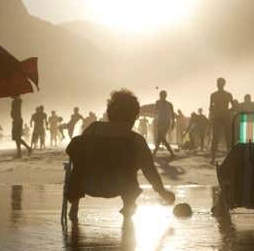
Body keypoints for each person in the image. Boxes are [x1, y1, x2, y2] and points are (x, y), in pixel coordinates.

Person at [66, 89, 175, 221]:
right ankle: (129, 205)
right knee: (131, 166)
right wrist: (162, 192)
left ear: (110, 113)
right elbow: (149, 170)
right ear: (133, 116)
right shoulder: (136, 140)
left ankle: (74, 206)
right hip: (119, 186)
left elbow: (75, 151)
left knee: (82, 162)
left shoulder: (93, 128)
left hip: (86, 184)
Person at [209, 77, 234, 163]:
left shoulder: (225, 94)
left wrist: (225, 111)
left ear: (222, 84)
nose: (218, 84)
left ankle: (215, 158)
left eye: (219, 83)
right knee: (218, 137)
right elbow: (210, 107)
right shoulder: (214, 95)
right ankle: (213, 158)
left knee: (226, 137)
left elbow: (210, 108)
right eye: (218, 83)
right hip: (219, 117)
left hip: (222, 117)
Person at [153, 90, 175, 157]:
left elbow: (172, 114)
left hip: (166, 122)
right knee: (160, 137)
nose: (163, 97)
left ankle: (154, 153)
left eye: (164, 95)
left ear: (165, 96)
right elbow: (155, 111)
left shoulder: (169, 104)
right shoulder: (158, 102)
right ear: (160, 96)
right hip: (160, 122)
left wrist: (173, 123)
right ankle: (171, 153)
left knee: (161, 137)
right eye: (162, 95)